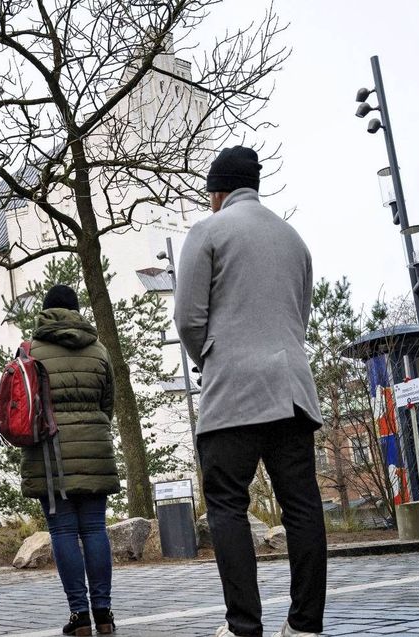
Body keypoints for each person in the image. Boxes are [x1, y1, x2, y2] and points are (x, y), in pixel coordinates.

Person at [174, 145, 326, 637]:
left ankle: (243, 626)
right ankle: (305, 626)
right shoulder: (295, 240)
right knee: (302, 506)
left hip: (234, 394)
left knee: (226, 505)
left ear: (218, 192)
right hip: (293, 392)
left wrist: (210, 360)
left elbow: (188, 318)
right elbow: (298, 320)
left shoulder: (209, 230)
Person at [19, 284, 119, 636]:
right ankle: (104, 613)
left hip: (51, 454)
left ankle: (79, 615)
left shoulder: (31, 351)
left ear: (45, 311)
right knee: (94, 529)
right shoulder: (99, 349)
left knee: (63, 530)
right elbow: (109, 403)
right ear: (77, 311)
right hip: (95, 447)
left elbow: (21, 407)